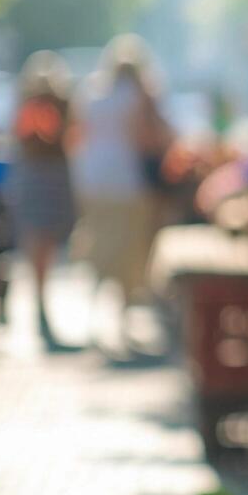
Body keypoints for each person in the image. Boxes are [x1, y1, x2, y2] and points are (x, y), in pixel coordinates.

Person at [71, 35, 172, 355]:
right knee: (129, 251)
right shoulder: (138, 96)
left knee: (101, 246)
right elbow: (151, 138)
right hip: (127, 181)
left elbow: (77, 136)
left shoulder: (91, 93)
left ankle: (94, 316)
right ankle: (122, 320)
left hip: (92, 179)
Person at [7, 51, 76, 348]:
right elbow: (23, 136)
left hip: (52, 175)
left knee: (47, 242)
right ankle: (38, 304)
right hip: (37, 175)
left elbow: (69, 137)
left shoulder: (63, 103)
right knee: (37, 242)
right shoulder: (27, 104)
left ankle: (41, 303)